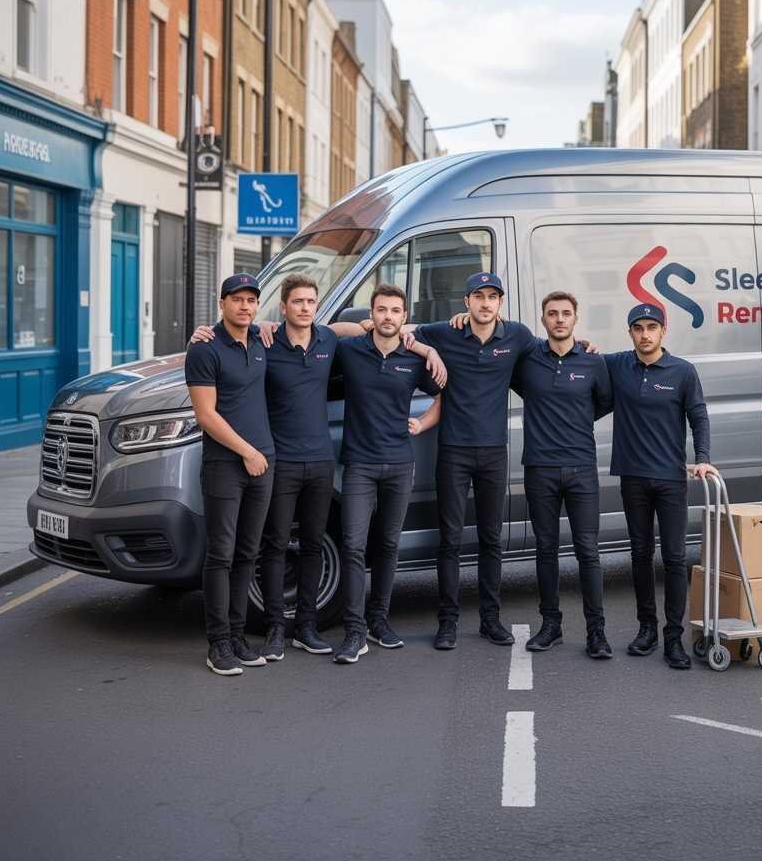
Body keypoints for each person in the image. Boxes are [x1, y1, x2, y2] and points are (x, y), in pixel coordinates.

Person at [189, 277, 445, 664]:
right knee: (273, 546)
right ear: (283, 307)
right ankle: (276, 629)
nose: (305, 308)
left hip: (322, 461)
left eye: (311, 302)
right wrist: (203, 331)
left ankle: (306, 627)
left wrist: (420, 344)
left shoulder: (327, 342)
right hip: (279, 460)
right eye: (297, 302)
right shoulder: (265, 342)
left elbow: (357, 330)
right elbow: (234, 337)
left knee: (313, 545)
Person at [409, 273, 538, 651]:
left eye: (492, 297)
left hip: (494, 452)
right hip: (453, 451)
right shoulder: (446, 333)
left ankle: (490, 620)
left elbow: (553, 352)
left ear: (500, 303)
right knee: (449, 540)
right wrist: (429, 351)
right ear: (466, 302)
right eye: (478, 296)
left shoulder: (517, 336)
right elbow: (398, 329)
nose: (485, 303)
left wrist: (585, 344)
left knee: (491, 540)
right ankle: (447, 622)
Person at [332, 284, 443, 664]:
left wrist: (423, 423)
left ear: (404, 317)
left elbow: (447, 392)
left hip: (400, 464)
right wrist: (359, 325)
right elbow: (328, 330)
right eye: (381, 310)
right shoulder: (352, 351)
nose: (388, 316)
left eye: (396, 311)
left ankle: (379, 622)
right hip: (359, 465)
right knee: (352, 545)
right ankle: (354, 631)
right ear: (374, 314)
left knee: (389, 545)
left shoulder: (413, 360)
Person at [603, 303, 717, 671]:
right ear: (630, 332)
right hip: (632, 476)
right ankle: (646, 629)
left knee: (672, 558)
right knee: (639, 555)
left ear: (663, 331)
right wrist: (585, 345)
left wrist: (702, 457)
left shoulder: (682, 371)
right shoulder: (619, 365)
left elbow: (698, 416)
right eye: (638, 328)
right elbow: (581, 357)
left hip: (670, 478)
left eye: (652, 327)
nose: (645, 334)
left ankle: (673, 637)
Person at [511, 291, 614, 659]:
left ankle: (596, 632)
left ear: (575, 319)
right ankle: (550, 625)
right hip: (539, 468)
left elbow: (604, 401)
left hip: (582, 468)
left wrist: (572, 423)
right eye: (552, 314)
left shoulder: (592, 361)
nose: (559, 319)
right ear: (543, 321)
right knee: (545, 549)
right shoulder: (527, 361)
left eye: (565, 314)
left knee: (588, 552)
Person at [185, 274, 277, 676]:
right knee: (221, 555)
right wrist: (247, 452)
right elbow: (206, 415)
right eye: (236, 299)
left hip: (263, 463)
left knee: (248, 553)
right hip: (226, 464)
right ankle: (218, 643)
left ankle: (238, 636)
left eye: (250, 300)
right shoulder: (205, 348)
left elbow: (326, 330)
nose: (244, 306)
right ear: (221, 303)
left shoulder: (260, 340)